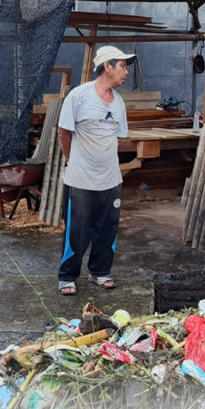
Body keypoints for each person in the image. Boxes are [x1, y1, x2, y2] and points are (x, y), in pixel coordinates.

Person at [56, 46, 136, 295]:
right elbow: (63, 132)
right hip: (81, 179)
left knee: (107, 228)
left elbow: (117, 137)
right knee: (77, 230)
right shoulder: (79, 96)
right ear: (107, 66)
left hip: (110, 179)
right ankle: (67, 276)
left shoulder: (118, 102)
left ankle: (99, 272)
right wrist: (72, 160)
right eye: (122, 66)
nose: (125, 72)